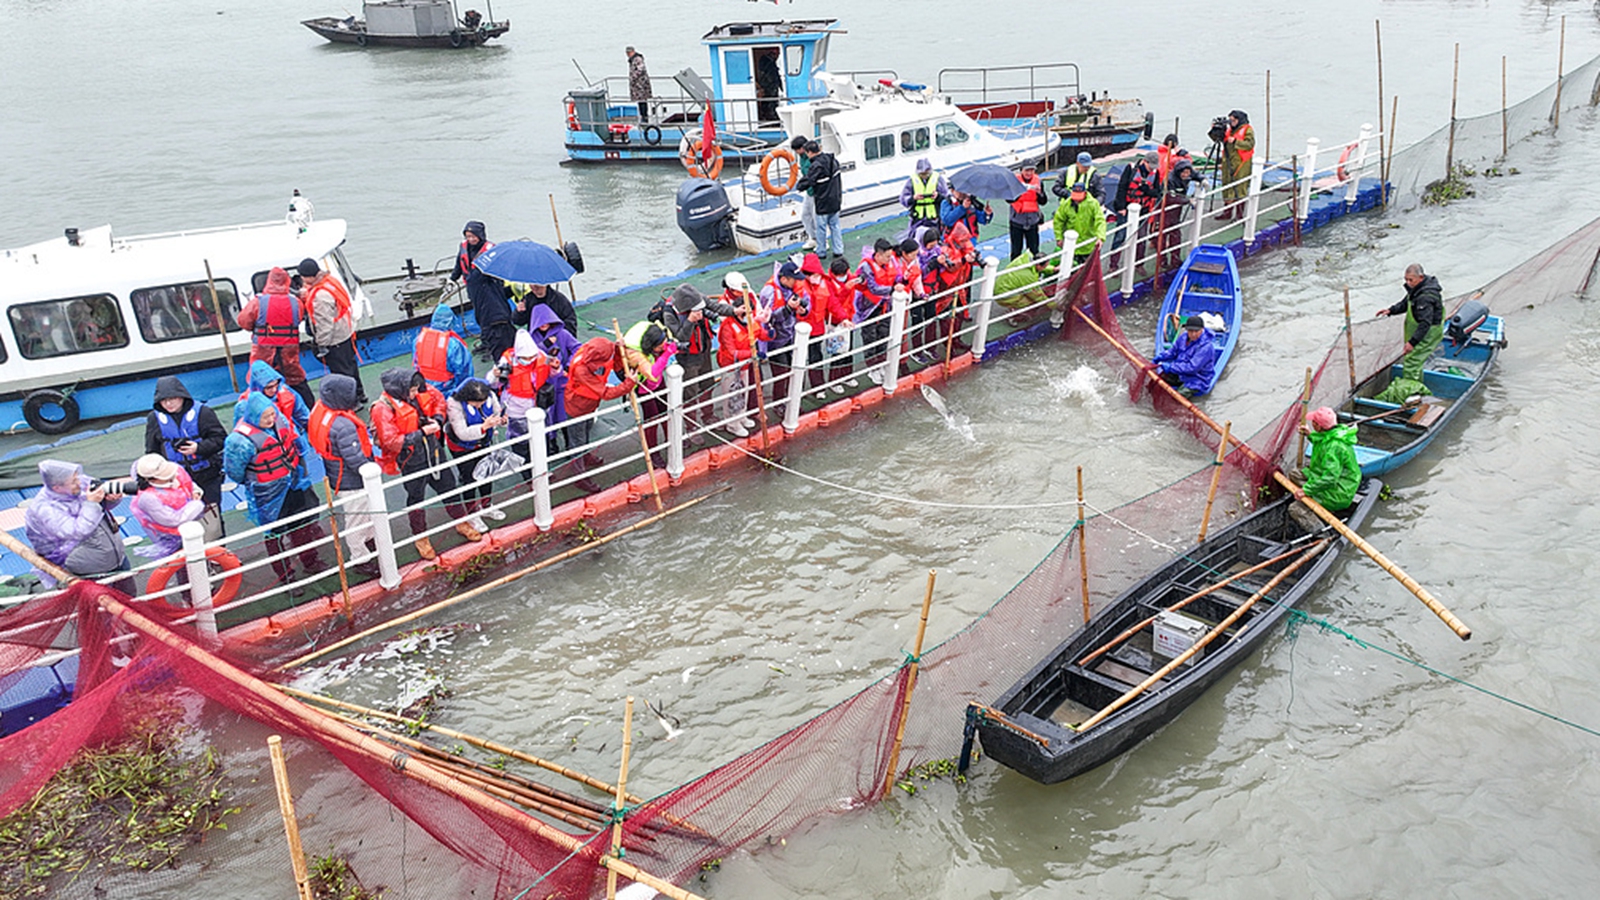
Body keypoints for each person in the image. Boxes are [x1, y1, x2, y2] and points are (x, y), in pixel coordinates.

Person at [372, 368, 484, 559]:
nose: (416, 393)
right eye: (413, 391)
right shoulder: (382, 409)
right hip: (411, 460)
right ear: (400, 389)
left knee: (449, 487)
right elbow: (391, 441)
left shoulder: (418, 389)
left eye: (416, 389)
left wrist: (439, 418)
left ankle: (460, 521)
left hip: (434, 450)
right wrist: (422, 433)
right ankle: (420, 536)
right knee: (416, 498)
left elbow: (439, 399)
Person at [223, 393, 326, 582]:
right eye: (266, 417)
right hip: (267, 492)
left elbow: (295, 444)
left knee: (301, 524)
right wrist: (256, 479)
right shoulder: (239, 442)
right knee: (274, 533)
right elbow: (234, 471)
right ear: (254, 416)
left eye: (272, 414)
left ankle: (310, 561)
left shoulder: (282, 422)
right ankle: (286, 575)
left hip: (293, 484)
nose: (271, 419)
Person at [306, 374, 378, 572]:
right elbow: (355, 459)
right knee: (356, 519)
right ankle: (360, 559)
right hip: (351, 480)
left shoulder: (321, 409)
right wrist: (371, 470)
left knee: (363, 515)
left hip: (336, 474)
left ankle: (369, 543)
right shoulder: (343, 425)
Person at [24, 460, 131, 590]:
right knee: (102, 605)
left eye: (77, 478)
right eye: (74, 482)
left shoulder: (80, 482)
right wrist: (91, 503)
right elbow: (78, 531)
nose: (79, 483)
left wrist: (112, 498)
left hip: (116, 556)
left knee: (130, 596)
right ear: (57, 487)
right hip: (88, 570)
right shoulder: (46, 509)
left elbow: (103, 509)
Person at [145, 375, 227, 540]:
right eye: (164, 400)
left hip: (207, 476)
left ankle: (219, 554)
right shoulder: (154, 419)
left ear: (182, 396)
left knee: (212, 519)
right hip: (174, 482)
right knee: (183, 523)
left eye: (173, 399)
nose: (169, 404)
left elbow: (220, 439)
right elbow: (151, 451)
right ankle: (195, 557)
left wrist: (199, 448)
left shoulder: (203, 412)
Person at [661, 283, 738, 437]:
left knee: (707, 384)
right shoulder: (669, 313)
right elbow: (680, 337)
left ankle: (708, 416)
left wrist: (734, 311)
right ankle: (691, 427)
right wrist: (690, 320)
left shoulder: (696, 299)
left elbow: (715, 307)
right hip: (688, 356)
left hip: (704, 348)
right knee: (690, 391)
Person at [563, 336, 638, 491]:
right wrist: (628, 384)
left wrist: (618, 349)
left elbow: (614, 362)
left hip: (590, 405)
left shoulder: (598, 352)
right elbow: (606, 393)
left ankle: (586, 455)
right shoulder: (581, 369)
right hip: (577, 407)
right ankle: (580, 476)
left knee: (586, 432)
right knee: (577, 441)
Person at [236, 266, 314, 409]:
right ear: (287, 282)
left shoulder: (257, 302)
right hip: (288, 349)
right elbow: (299, 318)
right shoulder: (295, 302)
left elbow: (243, 321)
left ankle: (260, 412)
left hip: (263, 350)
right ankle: (309, 410)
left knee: (261, 381)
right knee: (295, 380)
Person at [298, 257, 366, 407]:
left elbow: (325, 325)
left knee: (342, 372)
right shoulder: (329, 281)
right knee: (351, 366)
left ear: (309, 277)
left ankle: (352, 402)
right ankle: (360, 394)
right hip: (345, 332)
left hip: (334, 339)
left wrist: (322, 344)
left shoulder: (320, 298)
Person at [445, 378, 509, 533]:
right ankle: (472, 512)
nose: (480, 405)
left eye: (482, 401)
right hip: (462, 447)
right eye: (476, 403)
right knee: (469, 479)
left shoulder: (490, 395)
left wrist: (501, 421)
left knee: (486, 474)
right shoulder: (454, 404)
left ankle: (487, 505)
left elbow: (497, 412)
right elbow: (461, 433)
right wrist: (483, 427)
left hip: (484, 442)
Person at [450, 221, 517, 362]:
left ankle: (493, 346)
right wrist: (453, 278)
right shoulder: (463, 247)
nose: (471, 239)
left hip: (490, 289)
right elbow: (459, 263)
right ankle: (486, 342)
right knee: (479, 316)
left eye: (474, 236)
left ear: (481, 235)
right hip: (473, 288)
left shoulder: (490, 250)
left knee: (491, 319)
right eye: (468, 236)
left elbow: (500, 270)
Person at [1292, 405, 1361, 530]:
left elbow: (1330, 479)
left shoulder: (1335, 448)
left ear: (1319, 426)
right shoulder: (1334, 433)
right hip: (1335, 481)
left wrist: (1306, 490)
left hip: (1339, 491)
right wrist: (1310, 435)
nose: (1312, 424)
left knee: (1295, 509)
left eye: (1313, 422)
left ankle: (1321, 532)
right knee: (1295, 474)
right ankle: (1316, 500)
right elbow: (1323, 442)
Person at [128, 454, 205, 561]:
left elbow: (188, 483)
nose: (173, 477)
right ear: (152, 479)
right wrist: (197, 505)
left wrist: (195, 491)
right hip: (171, 537)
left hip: (192, 523)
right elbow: (173, 520)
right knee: (183, 565)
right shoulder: (148, 498)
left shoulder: (175, 470)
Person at [1376, 263, 1445, 382]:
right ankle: (1417, 385)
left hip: (1429, 332)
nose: (1408, 283)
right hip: (1420, 329)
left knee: (1412, 361)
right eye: (1406, 279)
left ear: (1421, 278)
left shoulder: (1425, 297)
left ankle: (1412, 394)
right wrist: (1390, 310)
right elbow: (1405, 303)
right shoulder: (1416, 290)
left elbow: (1425, 323)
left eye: (1411, 280)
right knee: (1415, 359)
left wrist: (1412, 343)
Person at [715, 276, 766, 435]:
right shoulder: (728, 326)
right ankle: (732, 423)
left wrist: (770, 333)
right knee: (732, 394)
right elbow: (731, 352)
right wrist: (753, 353)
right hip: (731, 365)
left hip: (745, 363)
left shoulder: (749, 321)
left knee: (743, 390)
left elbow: (760, 332)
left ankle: (741, 416)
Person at [489, 330, 553, 451]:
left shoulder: (543, 357)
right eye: (525, 357)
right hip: (516, 409)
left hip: (540, 405)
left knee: (542, 439)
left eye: (532, 357)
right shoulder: (506, 361)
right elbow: (492, 383)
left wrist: (556, 367)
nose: (529, 359)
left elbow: (554, 373)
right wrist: (494, 375)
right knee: (521, 443)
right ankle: (526, 466)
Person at [529, 304, 582, 446]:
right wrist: (544, 345)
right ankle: (552, 444)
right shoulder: (531, 339)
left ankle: (568, 442)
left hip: (562, 382)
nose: (544, 325)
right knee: (546, 416)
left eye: (546, 321)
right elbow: (530, 355)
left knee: (563, 413)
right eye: (540, 322)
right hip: (543, 385)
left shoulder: (563, 334)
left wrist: (569, 366)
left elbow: (578, 348)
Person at [759, 261, 811, 404]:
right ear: (784, 279)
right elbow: (766, 318)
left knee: (794, 370)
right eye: (794, 280)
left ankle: (792, 399)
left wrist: (804, 310)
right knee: (780, 375)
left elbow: (807, 300)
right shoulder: (768, 292)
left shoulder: (795, 286)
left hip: (791, 336)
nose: (797, 283)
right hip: (775, 340)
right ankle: (779, 403)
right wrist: (787, 309)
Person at [242, 361, 312, 460]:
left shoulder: (287, 393)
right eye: (269, 387)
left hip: (293, 442)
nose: (274, 389)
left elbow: (302, 414)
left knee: (302, 472)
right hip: (268, 450)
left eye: (276, 384)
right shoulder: (246, 403)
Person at [855, 240, 900, 383]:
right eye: (887, 256)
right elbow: (873, 287)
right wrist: (892, 289)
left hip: (886, 304)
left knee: (884, 334)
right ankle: (872, 367)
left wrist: (900, 281)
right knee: (870, 336)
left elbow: (897, 275)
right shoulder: (866, 267)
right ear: (878, 255)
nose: (889, 259)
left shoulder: (890, 261)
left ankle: (881, 363)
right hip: (869, 307)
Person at [792, 140, 843, 259]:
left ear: (810, 152)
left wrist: (799, 186)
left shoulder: (816, 165)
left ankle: (821, 251)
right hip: (835, 198)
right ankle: (838, 250)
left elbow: (809, 180)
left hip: (822, 200)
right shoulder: (833, 161)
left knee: (821, 227)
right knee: (835, 225)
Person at [1111, 153, 1163, 267]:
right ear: (1145, 161)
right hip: (1127, 208)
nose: (1152, 169)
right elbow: (1122, 187)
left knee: (1141, 238)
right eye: (1151, 166)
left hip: (1143, 210)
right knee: (1120, 236)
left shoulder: (1155, 173)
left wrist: (1146, 190)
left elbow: (1157, 193)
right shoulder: (1131, 169)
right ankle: (1113, 265)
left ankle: (1139, 264)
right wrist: (1121, 207)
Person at [1152, 315, 1220, 397]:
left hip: (1197, 379)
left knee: (1178, 396)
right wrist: (1162, 356)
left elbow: (1192, 368)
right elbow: (1173, 351)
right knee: (1157, 381)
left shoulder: (1206, 347)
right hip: (1181, 372)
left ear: (1202, 330)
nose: (1193, 334)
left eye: (1196, 331)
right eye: (1190, 331)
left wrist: (1171, 367)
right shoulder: (1183, 337)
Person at [415, 303, 475, 395]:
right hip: (448, 389)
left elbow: (416, 365)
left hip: (425, 390)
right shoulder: (454, 344)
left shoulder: (418, 339)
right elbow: (464, 371)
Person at [1052, 182, 1107, 268]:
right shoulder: (1066, 204)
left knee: (1089, 270)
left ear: (1085, 193)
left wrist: (1100, 237)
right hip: (1071, 246)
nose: (1077, 199)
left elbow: (1100, 221)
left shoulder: (1093, 204)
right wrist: (1059, 238)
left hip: (1088, 246)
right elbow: (1058, 221)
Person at [1008, 163, 1048, 262]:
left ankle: (1035, 272)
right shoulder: (1014, 182)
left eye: (1032, 170)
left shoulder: (1038, 181)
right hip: (1017, 221)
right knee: (1016, 250)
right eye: (1027, 170)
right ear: (1021, 170)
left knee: (1034, 250)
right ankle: (1014, 273)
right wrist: (1019, 191)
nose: (1029, 173)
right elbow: (1008, 200)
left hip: (1033, 221)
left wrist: (1040, 193)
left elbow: (1043, 202)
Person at [900, 158, 947, 241]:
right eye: (922, 174)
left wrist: (938, 196)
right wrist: (913, 198)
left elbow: (946, 196)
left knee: (936, 239)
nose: (924, 176)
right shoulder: (911, 181)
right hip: (918, 217)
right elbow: (903, 199)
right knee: (916, 239)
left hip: (934, 217)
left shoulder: (938, 179)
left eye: (926, 174)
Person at [1221, 110, 1256, 218]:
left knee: (1240, 187)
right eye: (1230, 120)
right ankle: (1227, 212)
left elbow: (1250, 144)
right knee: (1227, 185)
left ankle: (1239, 214)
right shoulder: (1229, 129)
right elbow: (1220, 139)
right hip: (1228, 160)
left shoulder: (1247, 129)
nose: (1231, 122)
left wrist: (1236, 141)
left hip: (1241, 161)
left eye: (1234, 120)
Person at [789, 135, 819, 251]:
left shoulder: (811, 159)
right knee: (805, 215)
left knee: (817, 217)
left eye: (797, 149)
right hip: (809, 191)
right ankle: (812, 238)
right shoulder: (802, 157)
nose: (796, 152)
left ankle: (822, 240)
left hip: (816, 191)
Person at [755, 50, 782, 123]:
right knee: (769, 103)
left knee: (771, 103)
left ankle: (771, 118)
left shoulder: (769, 62)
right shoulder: (767, 62)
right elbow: (771, 75)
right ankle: (771, 119)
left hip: (770, 86)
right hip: (768, 86)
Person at [627, 46, 651, 121]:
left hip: (641, 84)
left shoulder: (638, 59)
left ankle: (644, 116)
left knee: (643, 101)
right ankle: (642, 116)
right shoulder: (632, 59)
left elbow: (641, 69)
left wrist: (633, 77)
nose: (628, 54)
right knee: (640, 101)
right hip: (637, 85)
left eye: (629, 52)